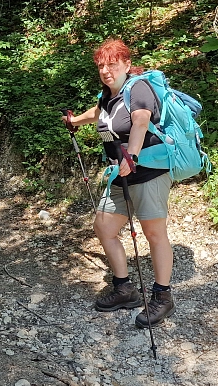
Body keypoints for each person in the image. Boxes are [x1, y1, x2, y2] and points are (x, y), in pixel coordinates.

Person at [63, 38, 175, 327]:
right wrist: (74, 122)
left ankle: (162, 297)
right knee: (104, 227)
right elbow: (97, 114)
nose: (106, 70)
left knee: (154, 234)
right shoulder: (108, 96)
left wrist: (133, 156)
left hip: (147, 173)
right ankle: (125, 289)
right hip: (119, 176)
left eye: (112, 64)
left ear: (126, 64)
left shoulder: (138, 89)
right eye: (101, 65)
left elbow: (140, 120)